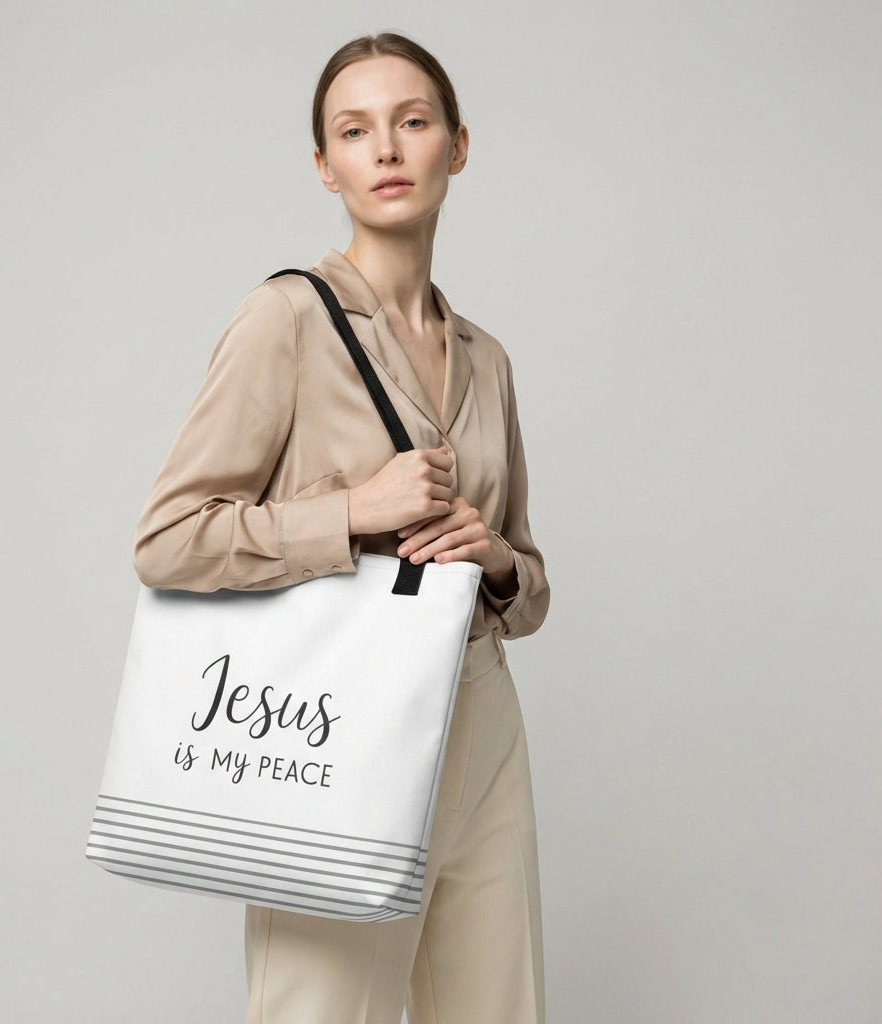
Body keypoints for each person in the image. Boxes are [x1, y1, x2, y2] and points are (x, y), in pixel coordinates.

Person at [133, 31, 551, 1024]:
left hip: (480, 717)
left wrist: (493, 557)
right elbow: (168, 538)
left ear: (456, 144)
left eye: (412, 122)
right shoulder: (285, 320)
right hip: (337, 720)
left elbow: (527, 582)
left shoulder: (486, 360)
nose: (387, 149)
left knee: (499, 1008)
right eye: (355, 131)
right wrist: (354, 513)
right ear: (326, 166)